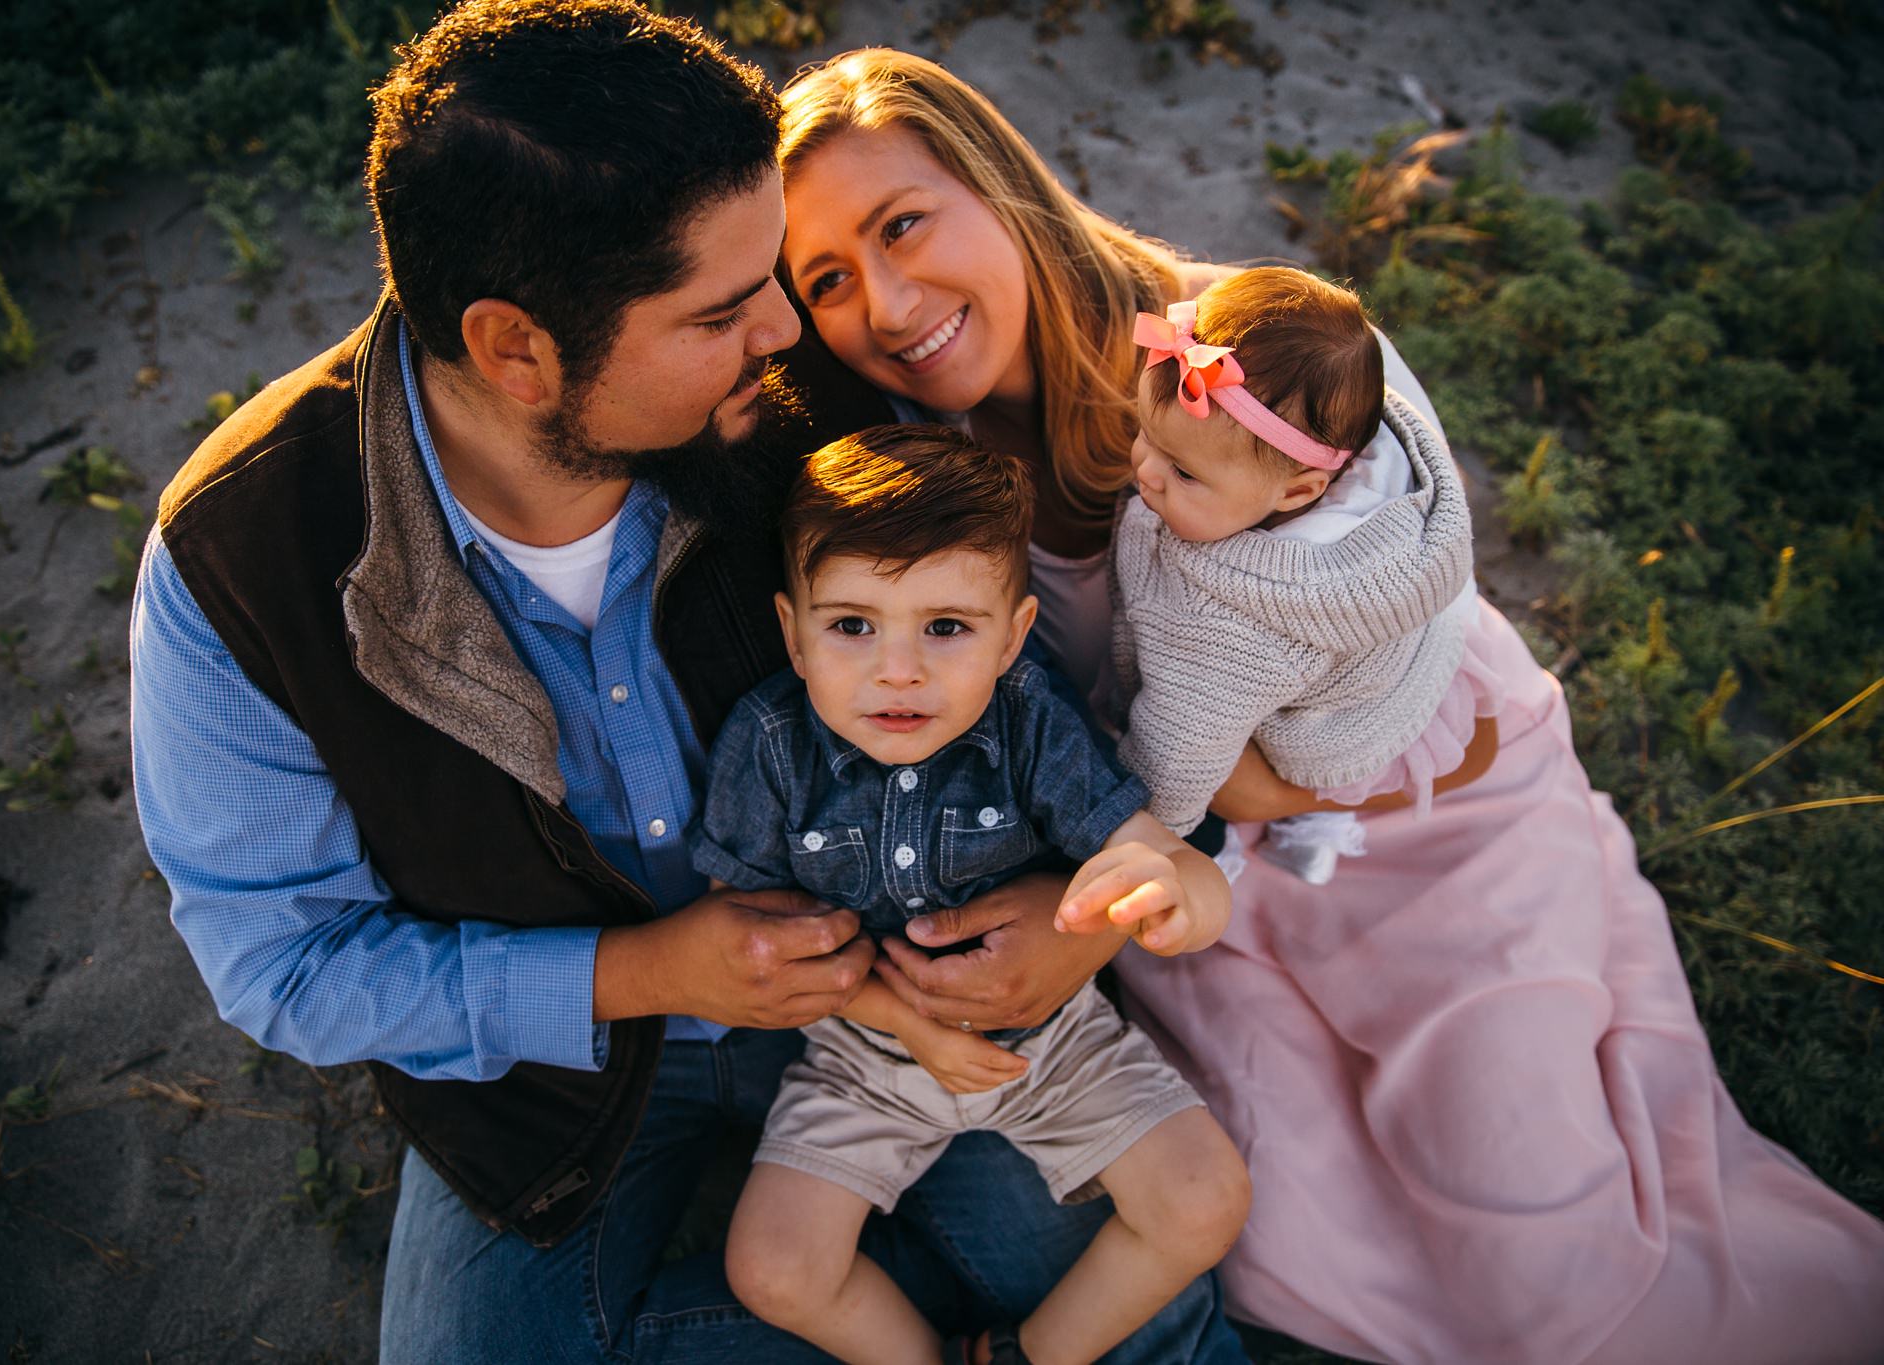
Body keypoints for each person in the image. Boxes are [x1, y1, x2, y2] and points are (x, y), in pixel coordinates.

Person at [129, 5, 1242, 1361]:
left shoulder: (820, 398)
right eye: (722, 310)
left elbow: (1085, 682)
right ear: (516, 348)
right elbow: (286, 963)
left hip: (900, 957)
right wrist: (643, 969)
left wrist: (1087, 919)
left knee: (1138, 1302)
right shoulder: (245, 559)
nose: (790, 327)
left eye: (774, 272)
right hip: (550, 1069)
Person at [775, 46, 1884, 1364]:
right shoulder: (907, 488)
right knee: (1303, 1238)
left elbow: (1421, 574)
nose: (887, 305)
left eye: (903, 224)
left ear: (996, 185)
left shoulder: (1243, 348)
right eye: (829, 280)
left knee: (1543, 1256)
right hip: (1205, 882)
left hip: (1423, 809)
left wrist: (1282, 781)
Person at [697, 426, 1245, 1365]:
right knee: (774, 1268)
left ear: (1012, 636)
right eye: (852, 625)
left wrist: (1180, 899)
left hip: (1056, 1043)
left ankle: (1033, 1355)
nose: (898, 669)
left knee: (1205, 1200)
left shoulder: (1030, 717)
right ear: (793, 632)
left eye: (945, 627)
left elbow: (1147, 849)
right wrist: (906, 1024)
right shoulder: (770, 746)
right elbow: (753, 931)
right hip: (862, 1053)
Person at [1112, 268, 1496, 888]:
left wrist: (1150, 838)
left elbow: (1177, 753)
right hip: (1404, 652)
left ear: (1301, 490)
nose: (1146, 473)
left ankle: (1274, 838)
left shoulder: (1239, 629)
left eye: (1182, 473)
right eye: (1146, 436)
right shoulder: (1364, 452)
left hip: (1334, 722)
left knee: (1250, 794)